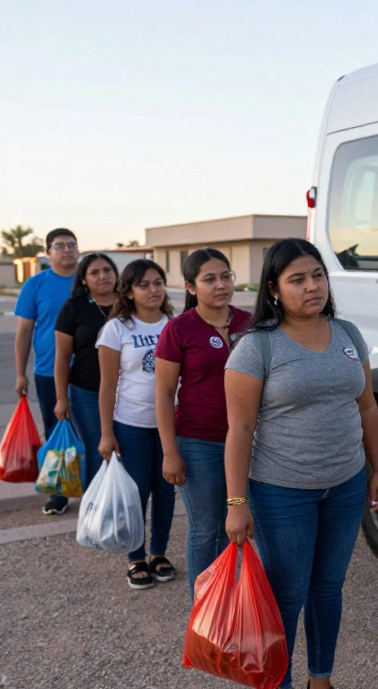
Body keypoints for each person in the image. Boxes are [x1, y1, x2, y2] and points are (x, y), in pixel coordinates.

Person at [223, 238, 378, 689]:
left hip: (346, 484)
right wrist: (237, 502)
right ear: (274, 289)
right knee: (287, 595)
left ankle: (321, 678)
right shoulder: (257, 348)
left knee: (328, 589)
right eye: (297, 279)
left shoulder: (349, 334)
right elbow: (238, 431)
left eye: (318, 275)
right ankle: (280, 681)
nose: (312, 286)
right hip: (281, 492)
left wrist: (377, 469)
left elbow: (368, 406)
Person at [155, 248, 251, 598]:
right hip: (199, 444)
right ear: (191, 287)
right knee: (208, 527)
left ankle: (240, 599)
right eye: (209, 279)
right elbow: (164, 395)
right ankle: (206, 607)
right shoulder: (179, 330)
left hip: (249, 443)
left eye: (226, 276)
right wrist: (170, 452)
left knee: (246, 523)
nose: (221, 285)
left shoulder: (250, 323)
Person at [95, 259, 176, 591]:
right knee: (137, 493)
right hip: (132, 424)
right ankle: (136, 555)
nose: (154, 290)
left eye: (158, 282)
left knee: (166, 490)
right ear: (128, 291)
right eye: (145, 285)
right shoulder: (117, 329)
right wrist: (106, 432)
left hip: (171, 424)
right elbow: (107, 384)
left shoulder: (175, 323)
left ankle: (159, 552)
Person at [14, 228, 80, 515]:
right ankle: (59, 492)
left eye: (71, 244)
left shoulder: (90, 280)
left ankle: (94, 489)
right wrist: (20, 373)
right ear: (48, 252)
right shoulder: (35, 285)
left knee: (95, 430)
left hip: (92, 371)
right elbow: (25, 331)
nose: (66, 250)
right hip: (48, 373)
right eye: (59, 246)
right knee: (56, 432)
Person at [54, 252, 118, 490]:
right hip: (87, 393)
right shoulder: (74, 308)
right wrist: (61, 399)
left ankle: (121, 509)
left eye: (108, 270)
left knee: (125, 451)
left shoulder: (130, 305)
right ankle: (95, 513)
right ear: (83, 279)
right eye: (94, 272)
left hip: (126, 395)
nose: (103, 276)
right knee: (96, 450)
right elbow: (61, 357)